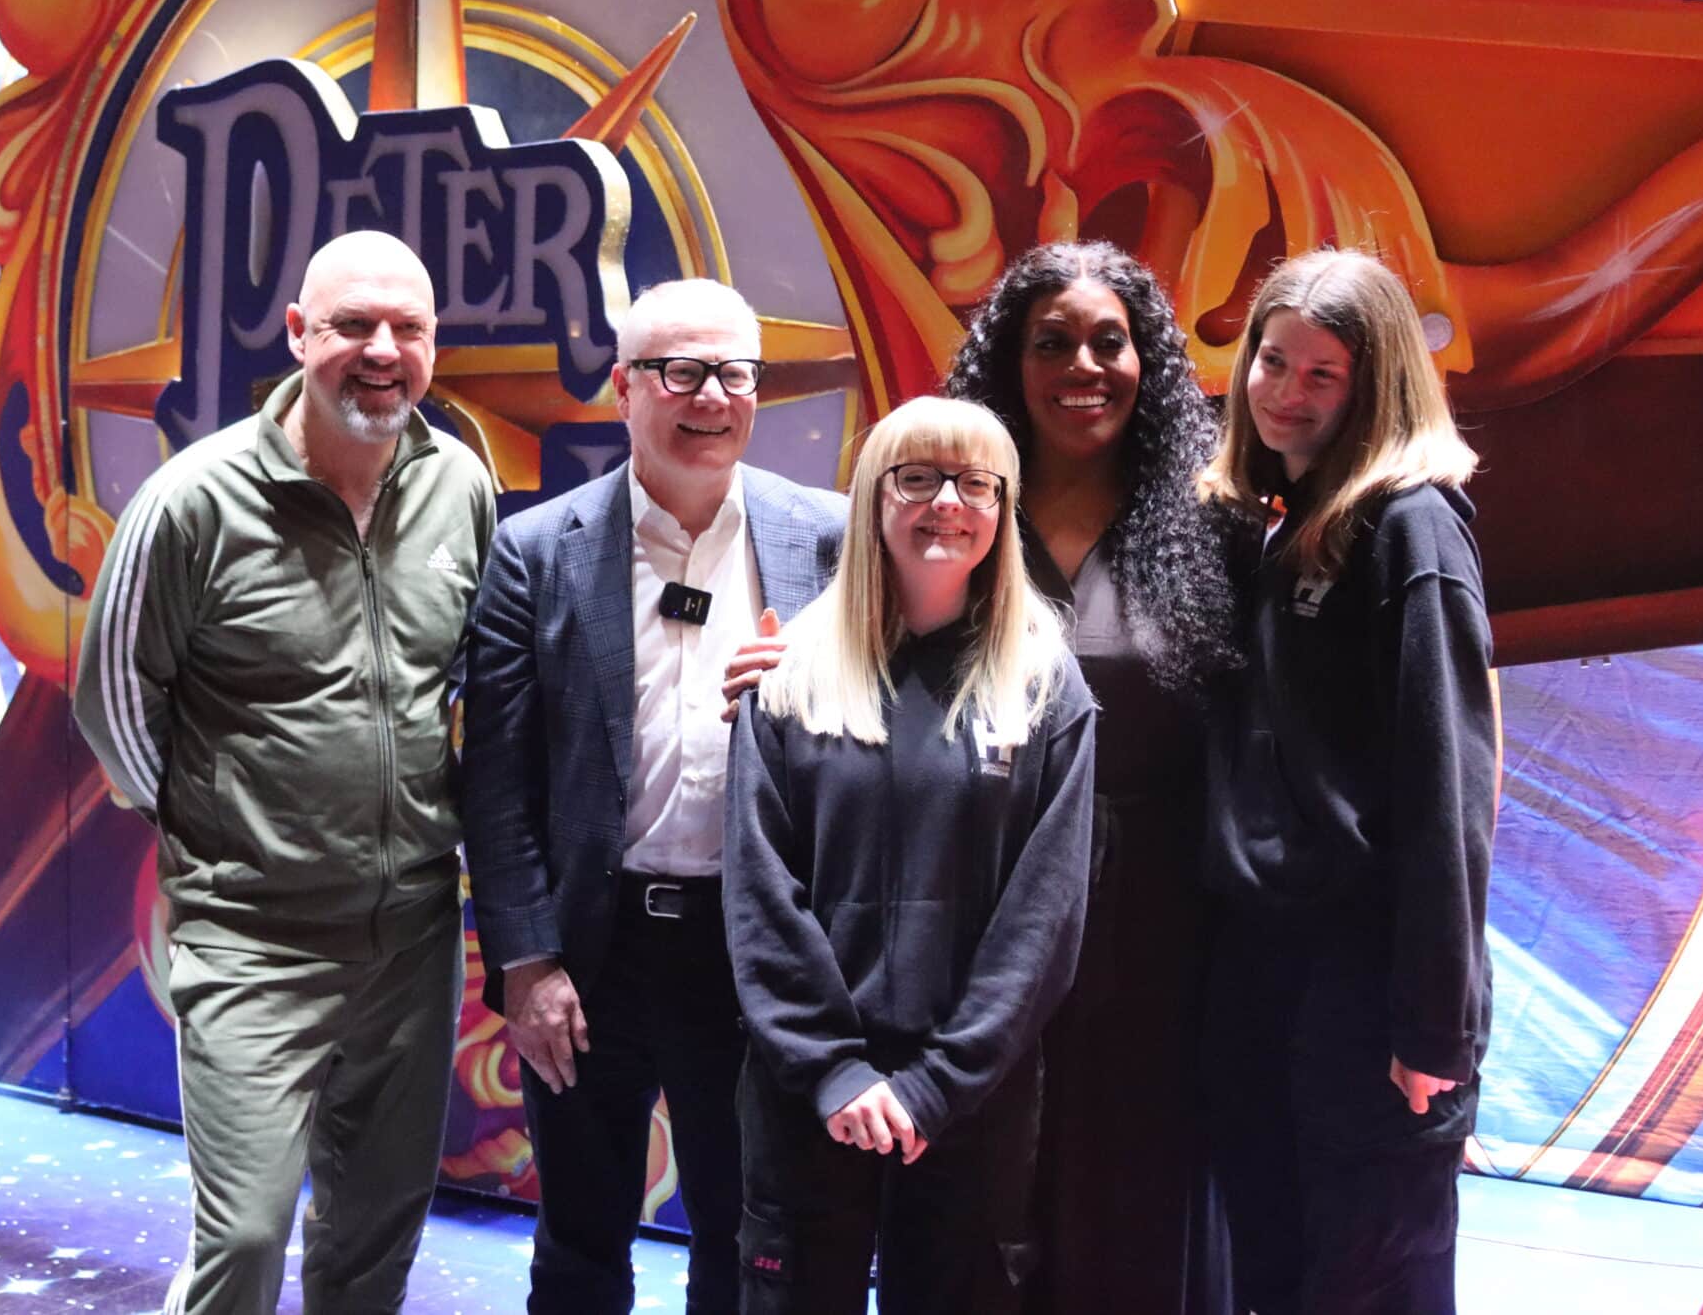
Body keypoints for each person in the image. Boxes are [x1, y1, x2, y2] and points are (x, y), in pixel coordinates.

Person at [72, 229, 495, 1314]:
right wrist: (207, 833)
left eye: (409, 328)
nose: (382, 350)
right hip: (251, 934)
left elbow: (470, 687)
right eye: (353, 324)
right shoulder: (195, 501)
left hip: (411, 934)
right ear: (299, 334)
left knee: (374, 1239)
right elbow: (116, 693)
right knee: (248, 1234)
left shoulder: (459, 489)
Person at [461, 278, 846, 1315]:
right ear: (624, 386)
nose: (710, 396)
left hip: (751, 947)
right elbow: (495, 779)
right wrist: (526, 963)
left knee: (742, 1230)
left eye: (735, 373)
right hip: (591, 950)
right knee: (581, 1238)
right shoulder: (536, 550)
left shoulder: (830, 542)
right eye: (680, 371)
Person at [726, 395, 1096, 1315]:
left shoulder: (1047, 684)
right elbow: (761, 897)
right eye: (918, 478)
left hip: (970, 1101)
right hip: (810, 1095)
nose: (947, 504)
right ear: (871, 498)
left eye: (976, 483)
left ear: (1004, 509)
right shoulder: (788, 677)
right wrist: (835, 1070)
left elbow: (1044, 919)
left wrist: (938, 1085)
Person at [942, 240, 1243, 1314]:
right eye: (1051, 343)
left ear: (1145, 362)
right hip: (976, 918)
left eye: (1108, 342)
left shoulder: (1214, 530)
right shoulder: (952, 518)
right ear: (1006, 368)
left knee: (1137, 1198)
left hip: (1159, 931)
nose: (1084, 366)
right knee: (981, 1198)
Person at [1194, 247, 1496, 1314]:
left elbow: (1446, 795)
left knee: (1373, 1286)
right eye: (1271, 361)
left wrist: (1430, 1029)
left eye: (1322, 374)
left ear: (1374, 388)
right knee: (1276, 1275)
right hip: (1263, 984)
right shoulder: (1274, 526)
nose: (1284, 393)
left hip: (1368, 997)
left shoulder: (1409, 525)